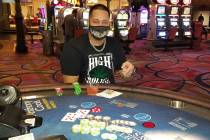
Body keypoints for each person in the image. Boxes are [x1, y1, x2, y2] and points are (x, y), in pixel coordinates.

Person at [60, 4, 135, 84]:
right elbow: (71, 84)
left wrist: (129, 71)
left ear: (109, 24)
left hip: (109, 93)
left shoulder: (115, 44)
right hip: (84, 95)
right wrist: (81, 94)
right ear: (88, 22)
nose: (100, 25)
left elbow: (125, 75)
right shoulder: (73, 48)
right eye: (96, 22)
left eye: (104, 22)